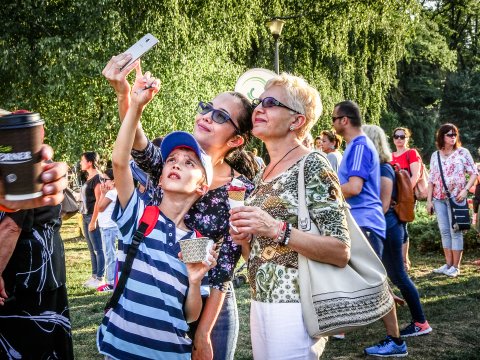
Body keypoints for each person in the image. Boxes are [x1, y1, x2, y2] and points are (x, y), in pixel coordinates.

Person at [102, 54, 257, 360]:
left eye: (221, 116)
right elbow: (130, 146)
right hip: (156, 296)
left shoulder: (239, 192)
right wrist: (128, 97)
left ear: (237, 140)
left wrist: (202, 333)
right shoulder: (169, 162)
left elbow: (222, 269)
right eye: (207, 108)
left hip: (209, 302)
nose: (207, 117)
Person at [230, 73, 350, 359]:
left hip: (297, 305)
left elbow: (340, 250)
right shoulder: (262, 173)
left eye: (270, 103)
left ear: (297, 121)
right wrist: (245, 239)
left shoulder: (312, 163)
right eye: (259, 102)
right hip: (261, 301)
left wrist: (275, 228)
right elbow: (261, 254)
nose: (258, 108)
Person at [97, 74, 218, 359]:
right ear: (161, 178)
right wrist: (134, 105)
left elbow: (190, 315)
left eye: (189, 163)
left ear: (202, 186)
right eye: (171, 161)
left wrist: (195, 280)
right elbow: (119, 161)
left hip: (171, 353)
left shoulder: (198, 241)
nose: (176, 165)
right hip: (120, 348)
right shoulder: (139, 215)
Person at [332, 101, 407, 357]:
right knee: (366, 279)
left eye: (334, 118)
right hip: (359, 221)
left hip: (366, 223)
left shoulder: (361, 146)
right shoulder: (356, 145)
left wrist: (323, 192)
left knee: (375, 283)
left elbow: (353, 188)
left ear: (345, 120)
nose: (331, 124)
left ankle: (396, 341)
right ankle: (339, 325)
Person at [363, 125, 432, 339]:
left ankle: (420, 322)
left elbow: (383, 205)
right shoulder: (378, 166)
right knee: (393, 274)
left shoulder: (384, 167)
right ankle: (414, 318)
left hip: (389, 225)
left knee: (398, 275)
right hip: (389, 225)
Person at [427, 124, 478, 277]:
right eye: (449, 134)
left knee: (456, 231)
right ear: (441, 136)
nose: (453, 136)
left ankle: (456, 267)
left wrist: (465, 190)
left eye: (455, 133)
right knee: (444, 232)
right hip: (438, 198)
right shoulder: (435, 155)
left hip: (457, 198)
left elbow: (474, 173)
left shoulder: (463, 152)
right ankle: (448, 264)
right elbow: (431, 180)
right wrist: (429, 201)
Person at [391, 127, 423, 271]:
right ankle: (396, 259)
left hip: (406, 196)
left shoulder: (411, 153)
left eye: (402, 137)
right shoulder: (390, 156)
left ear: (407, 139)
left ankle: (404, 260)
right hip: (391, 197)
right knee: (394, 226)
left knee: (403, 225)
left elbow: (415, 175)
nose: (399, 139)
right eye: (396, 136)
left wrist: (405, 193)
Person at [79, 151, 105, 288]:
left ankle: (100, 278)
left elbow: (98, 201)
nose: (80, 162)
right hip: (85, 215)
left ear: (90, 162)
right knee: (91, 249)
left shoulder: (98, 178)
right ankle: (94, 276)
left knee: (98, 249)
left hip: (92, 216)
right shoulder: (89, 177)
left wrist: (94, 220)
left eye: (82, 160)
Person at [96, 168, 118, 292]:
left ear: (113, 181)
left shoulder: (111, 193)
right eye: (101, 179)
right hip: (107, 227)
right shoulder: (114, 192)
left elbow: (100, 207)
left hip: (109, 228)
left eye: (105, 180)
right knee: (110, 254)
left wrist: (103, 193)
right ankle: (112, 281)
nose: (103, 183)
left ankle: (110, 283)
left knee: (109, 255)